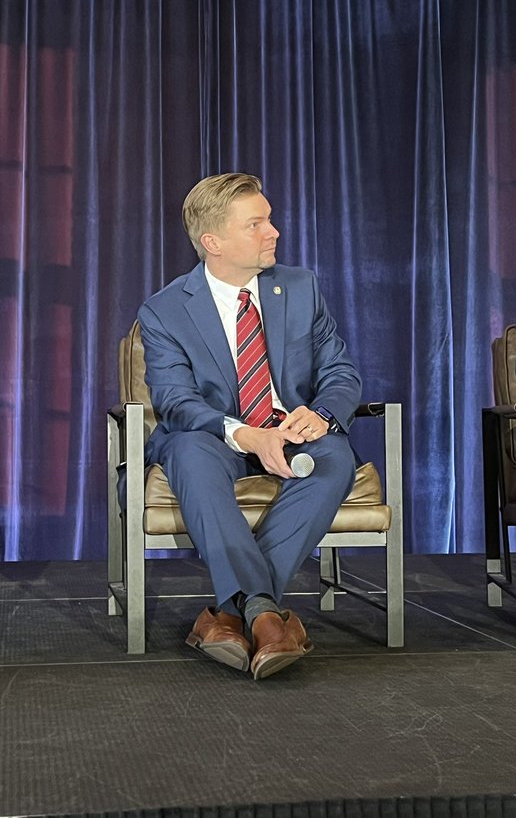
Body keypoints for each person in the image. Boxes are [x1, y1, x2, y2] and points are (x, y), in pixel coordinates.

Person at [137, 173, 361, 679]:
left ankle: (234, 613)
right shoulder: (165, 310)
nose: (274, 232)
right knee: (190, 453)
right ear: (212, 242)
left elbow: (341, 372)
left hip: (292, 429)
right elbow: (174, 401)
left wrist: (321, 413)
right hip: (216, 435)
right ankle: (267, 614)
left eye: (270, 218)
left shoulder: (301, 287)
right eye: (256, 223)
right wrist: (244, 434)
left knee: (336, 457)